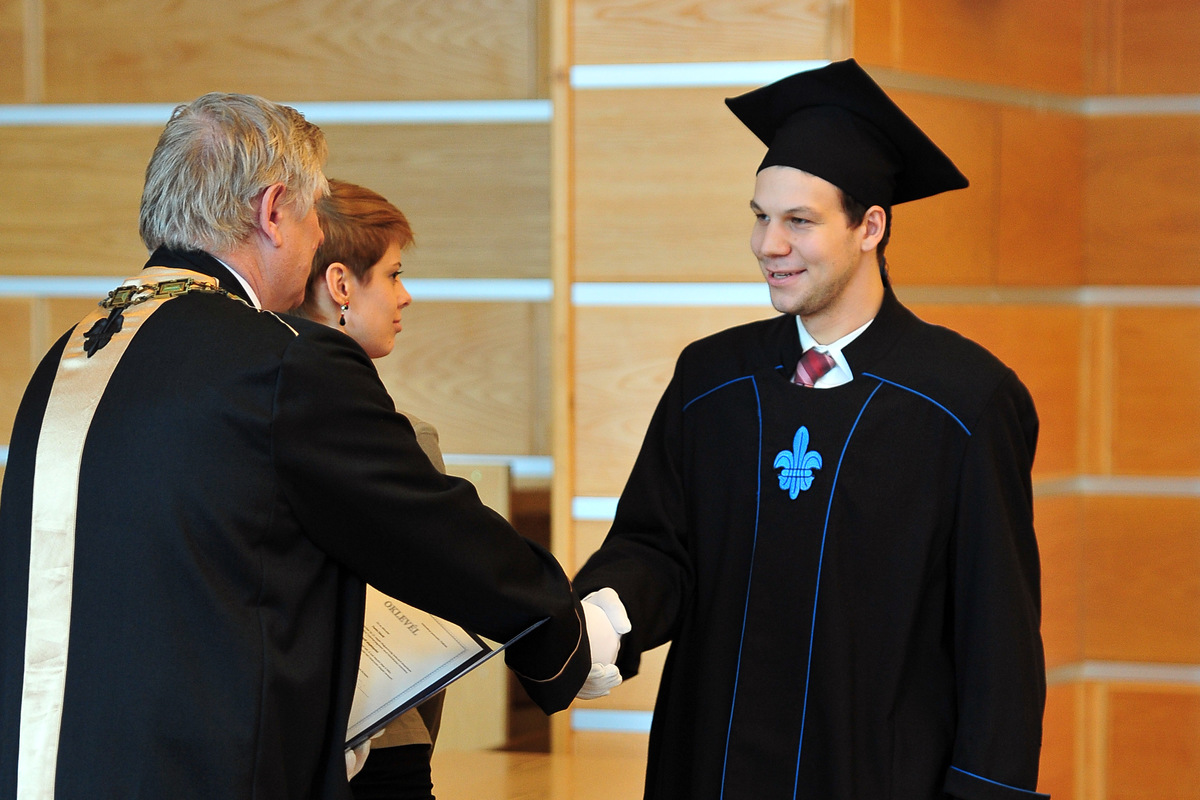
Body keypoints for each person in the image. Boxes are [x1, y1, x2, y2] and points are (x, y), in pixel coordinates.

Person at [0, 93, 597, 800]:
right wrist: (560, 634)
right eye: (314, 213)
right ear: (273, 210)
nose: (318, 237)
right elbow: (426, 527)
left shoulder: (69, 355)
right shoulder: (279, 360)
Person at [574, 59, 1048, 800]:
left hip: (876, 773)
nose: (769, 244)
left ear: (870, 227)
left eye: (799, 221)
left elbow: (998, 636)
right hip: (714, 765)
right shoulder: (712, 382)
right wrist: (604, 618)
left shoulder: (963, 401)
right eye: (760, 216)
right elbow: (654, 544)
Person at [290, 177, 442, 800]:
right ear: (341, 285)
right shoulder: (404, 440)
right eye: (393, 274)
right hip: (382, 745)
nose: (405, 296)